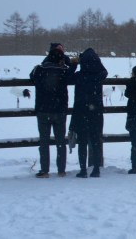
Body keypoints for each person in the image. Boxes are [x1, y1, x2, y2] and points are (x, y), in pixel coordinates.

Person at [29, 43, 76, 178]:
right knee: (60, 141)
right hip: (59, 110)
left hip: (43, 110)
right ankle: (61, 170)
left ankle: (44, 170)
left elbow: (32, 76)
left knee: (44, 141)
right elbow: (72, 74)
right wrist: (71, 63)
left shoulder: (39, 69)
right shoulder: (64, 71)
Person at [70, 48, 108, 178]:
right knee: (96, 140)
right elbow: (104, 71)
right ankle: (96, 168)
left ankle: (83, 170)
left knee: (82, 141)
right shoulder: (99, 75)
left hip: (81, 111)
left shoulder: (79, 76)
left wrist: (74, 64)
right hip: (96, 111)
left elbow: (66, 77)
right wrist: (97, 61)